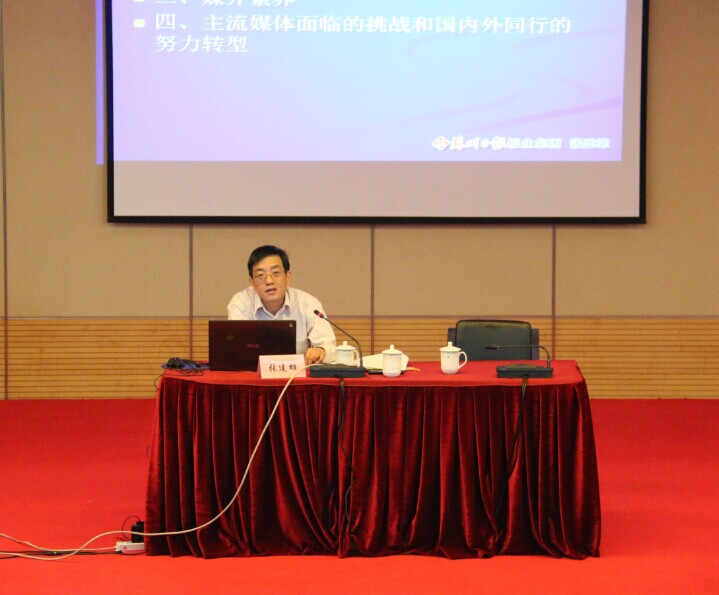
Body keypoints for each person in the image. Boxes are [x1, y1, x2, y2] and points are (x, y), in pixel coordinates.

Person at [227, 245, 336, 365]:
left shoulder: (308, 303)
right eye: (260, 275)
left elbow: (328, 345)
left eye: (275, 273)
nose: (269, 281)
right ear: (252, 282)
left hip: (296, 374)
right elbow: (236, 349)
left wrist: (321, 350)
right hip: (253, 373)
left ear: (287, 277)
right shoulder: (240, 303)